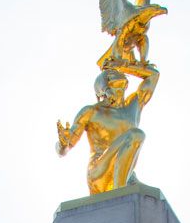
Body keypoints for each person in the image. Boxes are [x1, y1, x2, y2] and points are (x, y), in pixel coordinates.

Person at [56, 59, 159, 195]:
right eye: (114, 85)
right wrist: (63, 144)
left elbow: (153, 76)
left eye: (122, 84)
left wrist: (122, 66)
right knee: (136, 135)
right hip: (99, 171)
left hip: (123, 174)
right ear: (103, 92)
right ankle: (120, 194)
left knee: (135, 136)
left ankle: (125, 185)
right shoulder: (91, 112)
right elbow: (63, 151)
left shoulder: (133, 106)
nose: (120, 89)